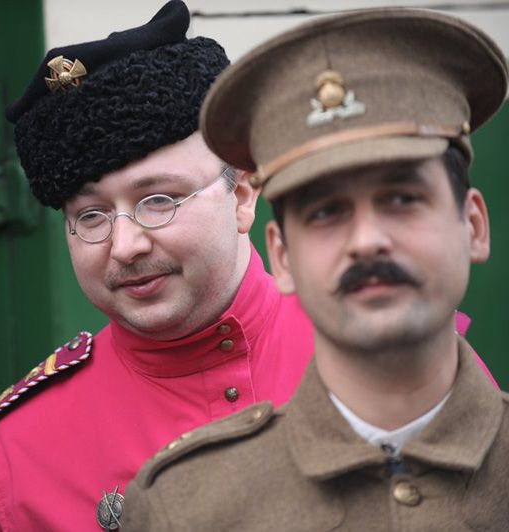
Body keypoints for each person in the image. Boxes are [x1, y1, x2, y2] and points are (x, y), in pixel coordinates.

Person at [0, 3, 490, 531]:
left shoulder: (398, 355)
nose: (125, 246)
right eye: (91, 216)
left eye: (159, 200)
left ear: (242, 198)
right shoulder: (11, 458)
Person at [122, 7, 509, 530]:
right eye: (326, 213)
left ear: (474, 225)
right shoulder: (187, 510)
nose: (367, 241)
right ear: (282, 256)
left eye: (402, 198)